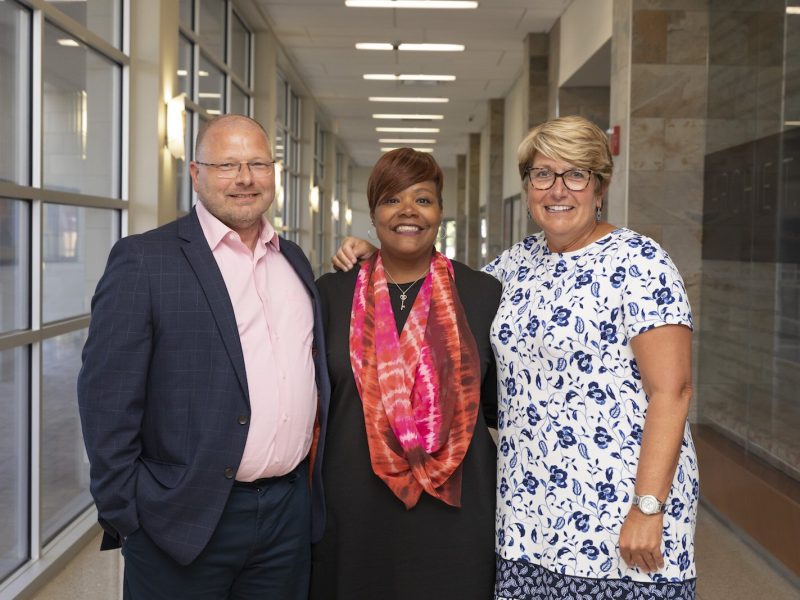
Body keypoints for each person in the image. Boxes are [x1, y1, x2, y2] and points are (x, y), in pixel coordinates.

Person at [333, 116, 699, 599]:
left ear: (600, 185)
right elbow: (437, 292)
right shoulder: (514, 266)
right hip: (526, 517)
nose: (557, 189)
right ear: (528, 188)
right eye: (542, 175)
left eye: (576, 174)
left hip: (616, 512)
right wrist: (370, 256)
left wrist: (648, 507)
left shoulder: (640, 262)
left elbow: (672, 392)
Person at [78, 114, 330, 600]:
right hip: (183, 518)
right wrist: (128, 515)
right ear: (195, 174)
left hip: (287, 517)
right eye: (227, 165)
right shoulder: (145, 261)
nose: (245, 179)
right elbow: (106, 399)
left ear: (274, 173)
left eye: (258, 163)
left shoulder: (293, 260)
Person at [310, 148, 501, 599]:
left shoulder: (482, 293)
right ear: (373, 214)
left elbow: (498, 406)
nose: (408, 212)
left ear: (440, 212)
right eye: (392, 200)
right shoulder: (330, 294)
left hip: (456, 513)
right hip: (353, 509)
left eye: (423, 199)